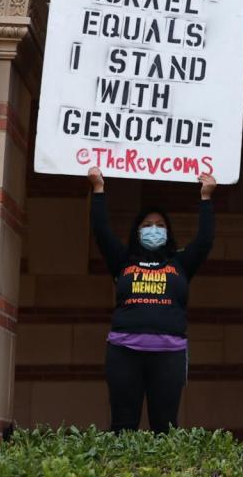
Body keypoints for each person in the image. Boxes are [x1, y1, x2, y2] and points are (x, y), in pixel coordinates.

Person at [88, 166, 216, 434]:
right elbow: (101, 232)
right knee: (123, 427)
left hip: (169, 355)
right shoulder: (122, 260)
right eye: (147, 226)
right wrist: (98, 189)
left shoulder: (180, 263)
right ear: (137, 232)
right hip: (124, 353)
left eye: (160, 225)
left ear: (168, 232)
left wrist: (206, 198)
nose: (154, 229)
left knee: (165, 428)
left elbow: (204, 241)